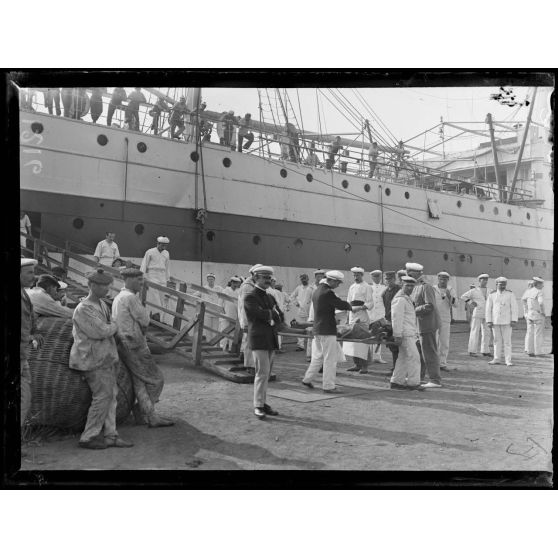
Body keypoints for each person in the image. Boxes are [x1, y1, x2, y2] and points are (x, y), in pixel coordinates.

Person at [70, 269, 133, 449]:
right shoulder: (84, 308)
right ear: (90, 285)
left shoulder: (102, 305)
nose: (106, 288)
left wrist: (111, 326)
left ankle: (111, 435)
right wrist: (113, 325)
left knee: (111, 397)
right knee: (102, 397)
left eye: (107, 285)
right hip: (92, 359)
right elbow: (101, 331)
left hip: (105, 357)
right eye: (101, 285)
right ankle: (88, 436)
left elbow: (108, 327)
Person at [112, 268, 174, 428]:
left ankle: (149, 415)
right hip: (135, 344)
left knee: (139, 381)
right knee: (156, 380)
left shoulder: (118, 297)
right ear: (128, 280)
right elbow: (145, 321)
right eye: (139, 280)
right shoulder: (130, 297)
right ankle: (142, 410)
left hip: (123, 343)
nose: (142, 283)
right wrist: (142, 333)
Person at [302, 270, 352, 392]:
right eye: (338, 283)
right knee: (330, 359)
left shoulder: (317, 290)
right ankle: (329, 386)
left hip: (318, 329)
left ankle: (307, 379)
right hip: (327, 329)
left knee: (318, 357)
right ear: (332, 280)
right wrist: (351, 306)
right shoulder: (328, 292)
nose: (338, 285)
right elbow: (340, 304)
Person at [244, 266, 284, 419]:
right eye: (263, 277)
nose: (267, 280)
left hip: (270, 339)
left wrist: (271, 314)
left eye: (269, 278)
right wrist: (271, 313)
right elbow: (256, 314)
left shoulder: (270, 297)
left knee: (266, 374)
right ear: (255, 278)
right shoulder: (250, 297)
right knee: (262, 373)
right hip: (259, 339)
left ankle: (263, 402)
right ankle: (258, 405)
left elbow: (280, 316)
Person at [406, 262, 442, 388]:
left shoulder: (426, 287)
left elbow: (430, 306)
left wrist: (412, 310)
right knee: (419, 353)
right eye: (408, 271)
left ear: (419, 273)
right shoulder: (415, 286)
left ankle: (435, 380)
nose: (408, 273)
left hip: (427, 324)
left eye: (411, 272)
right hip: (418, 325)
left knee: (429, 352)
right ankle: (418, 377)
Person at [390, 276, 425, 391]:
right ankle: (413, 383)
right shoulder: (400, 299)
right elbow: (396, 318)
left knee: (403, 358)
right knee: (414, 357)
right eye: (407, 285)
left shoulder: (407, 298)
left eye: (412, 286)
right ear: (401, 285)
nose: (410, 288)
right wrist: (397, 335)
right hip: (404, 334)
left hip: (409, 333)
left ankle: (396, 381)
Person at [20, 258, 44, 432]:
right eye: (29, 272)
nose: (33, 276)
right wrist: (29, 337)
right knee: (23, 398)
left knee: (24, 399)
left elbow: (31, 318)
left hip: (23, 356)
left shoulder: (24, 294)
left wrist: (34, 332)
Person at [343, 267, 374, 374]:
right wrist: (348, 317)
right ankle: (357, 364)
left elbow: (370, 302)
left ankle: (365, 366)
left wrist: (360, 308)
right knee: (353, 342)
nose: (356, 277)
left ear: (362, 275)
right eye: (354, 275)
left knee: (362, 342)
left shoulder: (367, 287)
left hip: (362, 316)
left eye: (358, 275)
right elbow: (348, 302)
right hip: (352, 315)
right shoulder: (351, 287)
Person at [486, 277, 518, 367]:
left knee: (507, 342)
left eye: (504, 284)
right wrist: (489, 320)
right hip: (495, 321)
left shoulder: (510, 294)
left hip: (507, 321)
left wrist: (514, 320)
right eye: (501, 284)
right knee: (496, 341)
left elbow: (514, 307)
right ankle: (496, 359)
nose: (503, 286)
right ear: (496, 284)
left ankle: (508, 360)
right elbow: (488, 309)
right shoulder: (491, 295)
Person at [140, 236, 172, 324]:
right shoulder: (150, 252)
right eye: (162, 245)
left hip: (162, 277)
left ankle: (158, 319)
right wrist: (143, 276)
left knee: (162, 299)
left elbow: (167, 266)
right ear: (158, 244)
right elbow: (144, 264)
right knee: (154, 297)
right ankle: (155, 316)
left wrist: (167, 279)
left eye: (165, 245)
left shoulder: (166, 253)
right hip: (152, 275)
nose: (164, 247)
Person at [461, 273, 492, 357]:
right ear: (479, 280)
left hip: (487, 314)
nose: (485, 281)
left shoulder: (490, 290)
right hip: (477, 312)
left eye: (486, 280)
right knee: (475, 331)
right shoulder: (474, 291)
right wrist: (471, 302)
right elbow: (463, 296)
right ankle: (472, 350)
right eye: (483, 279)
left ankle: (485, 350)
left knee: (487, 332)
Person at [433, 271, 458, 371]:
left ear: (448, 280)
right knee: (433, 341)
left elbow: (456, 304)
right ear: (438, 279)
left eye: (445, 279)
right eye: (441, 278)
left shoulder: (451, 289)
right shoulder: (432, 289)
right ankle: (432, 362)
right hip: (433, 317)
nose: (443, 281)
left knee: (444, 342)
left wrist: (449, 296)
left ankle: (442, 363)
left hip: (445, 318)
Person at [238, 265, 260, 372]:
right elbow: (246, 306)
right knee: (249, 341)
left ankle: (251, 364)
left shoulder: (254, 285)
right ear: (253, 274)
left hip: (254, 319)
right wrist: (246, 322)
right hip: (249, 319)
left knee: (253, 341)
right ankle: (249, 365)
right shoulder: (247, 286)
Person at [381, 270, 401, 370]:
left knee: (397, 345)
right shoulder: (384, 292)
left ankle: (397, 368)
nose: (388, 281)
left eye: (390, 279)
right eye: (386, 279)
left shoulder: (399, 290)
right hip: (388, 321)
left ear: (394, 279)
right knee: (391, 345)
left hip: (398, 320)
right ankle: (395, 366)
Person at [522, 277, 546, 357]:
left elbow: (523, 300)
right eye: (542, 284)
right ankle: (538, 351)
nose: (543, 286)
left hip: (529, 314)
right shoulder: (539, 292)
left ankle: (529, 350)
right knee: (538, 333)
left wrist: (525, 311)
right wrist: (543, 312)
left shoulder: (528, 291)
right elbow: (541, 302)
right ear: (538, 284)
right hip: (538, 314)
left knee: (530, 332)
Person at [290, 273, 314, 351]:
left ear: (308, 279)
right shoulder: (298, 288)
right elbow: (292, 296)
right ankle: (301, 345)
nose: (303, 280)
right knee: (300, 328)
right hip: (301, 311)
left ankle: (311, 346)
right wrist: (296, 303)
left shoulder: (311, 288)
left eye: (305, 278)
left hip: (310, 312)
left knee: (310, 328)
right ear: (300, 280)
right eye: (302, 279)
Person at [368, 269, 387, 363]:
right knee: (369, 336)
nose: (377, 278)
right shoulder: (368, 287)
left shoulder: (384, 288)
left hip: (380, 315)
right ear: (371, 277)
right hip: (370, 315)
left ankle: (377, 357)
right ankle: (369, 357)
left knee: (379, 336)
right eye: (375, 277)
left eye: (378, 276)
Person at [220, 276, 242, 351]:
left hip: (235, 315)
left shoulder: (239, 292)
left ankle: (230, 348)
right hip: (225, 314)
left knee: (232, 332)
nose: (235, 285)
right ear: (231, 282)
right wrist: (221, 311)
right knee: (224, 330)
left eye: (237, 283)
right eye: (234, 283)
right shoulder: (225, 290)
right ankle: (222, 348)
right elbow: (220, 301)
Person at [203, 272, 223, 338]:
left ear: (214, 280)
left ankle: (214, 345)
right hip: (207, 312)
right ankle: (208, 343)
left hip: (216, 312)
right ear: (207, 280)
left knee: (215, 329)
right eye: (209, 279)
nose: (210, 280)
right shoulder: (204, 288)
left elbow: (225, 295)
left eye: (212, 279)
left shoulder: (219, 288)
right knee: (208, 329)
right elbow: (196, 295)